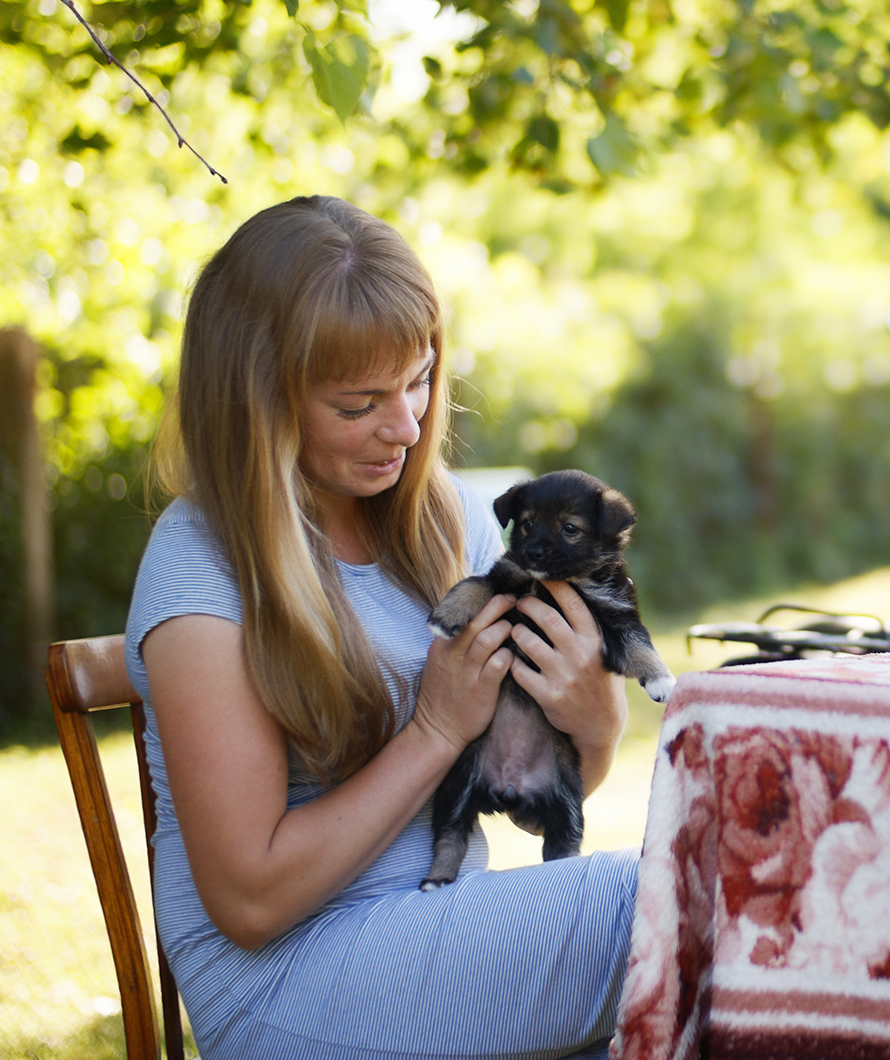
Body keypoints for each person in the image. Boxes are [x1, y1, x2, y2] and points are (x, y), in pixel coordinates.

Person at [125, 196, 637, 1059]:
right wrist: (435, 730)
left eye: (419, 380)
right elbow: (249, 901)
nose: (405, 427)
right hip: (284, 983)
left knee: (696, 956)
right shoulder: (200, 565)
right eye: (359, 403)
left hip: (435, 934)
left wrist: (598, 719)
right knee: (666, 900)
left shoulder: (447, 521)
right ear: (260, 401)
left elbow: (533, 806)